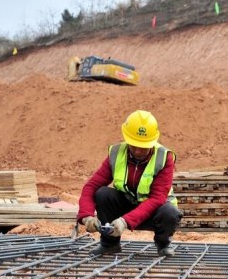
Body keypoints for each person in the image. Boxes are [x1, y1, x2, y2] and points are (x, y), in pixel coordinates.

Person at [77, 110, 181, 257]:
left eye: (143, 147)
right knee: (103, 194)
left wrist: (126, 221)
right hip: (126, 207)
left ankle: (163, 244)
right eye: (134, 145)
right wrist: (86, 215)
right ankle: (109, 244)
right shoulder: (117, 153)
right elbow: (91, 186)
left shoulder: (164, 157)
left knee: (170, 212)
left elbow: (157, 198)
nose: (138, 151)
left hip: (154, 213)